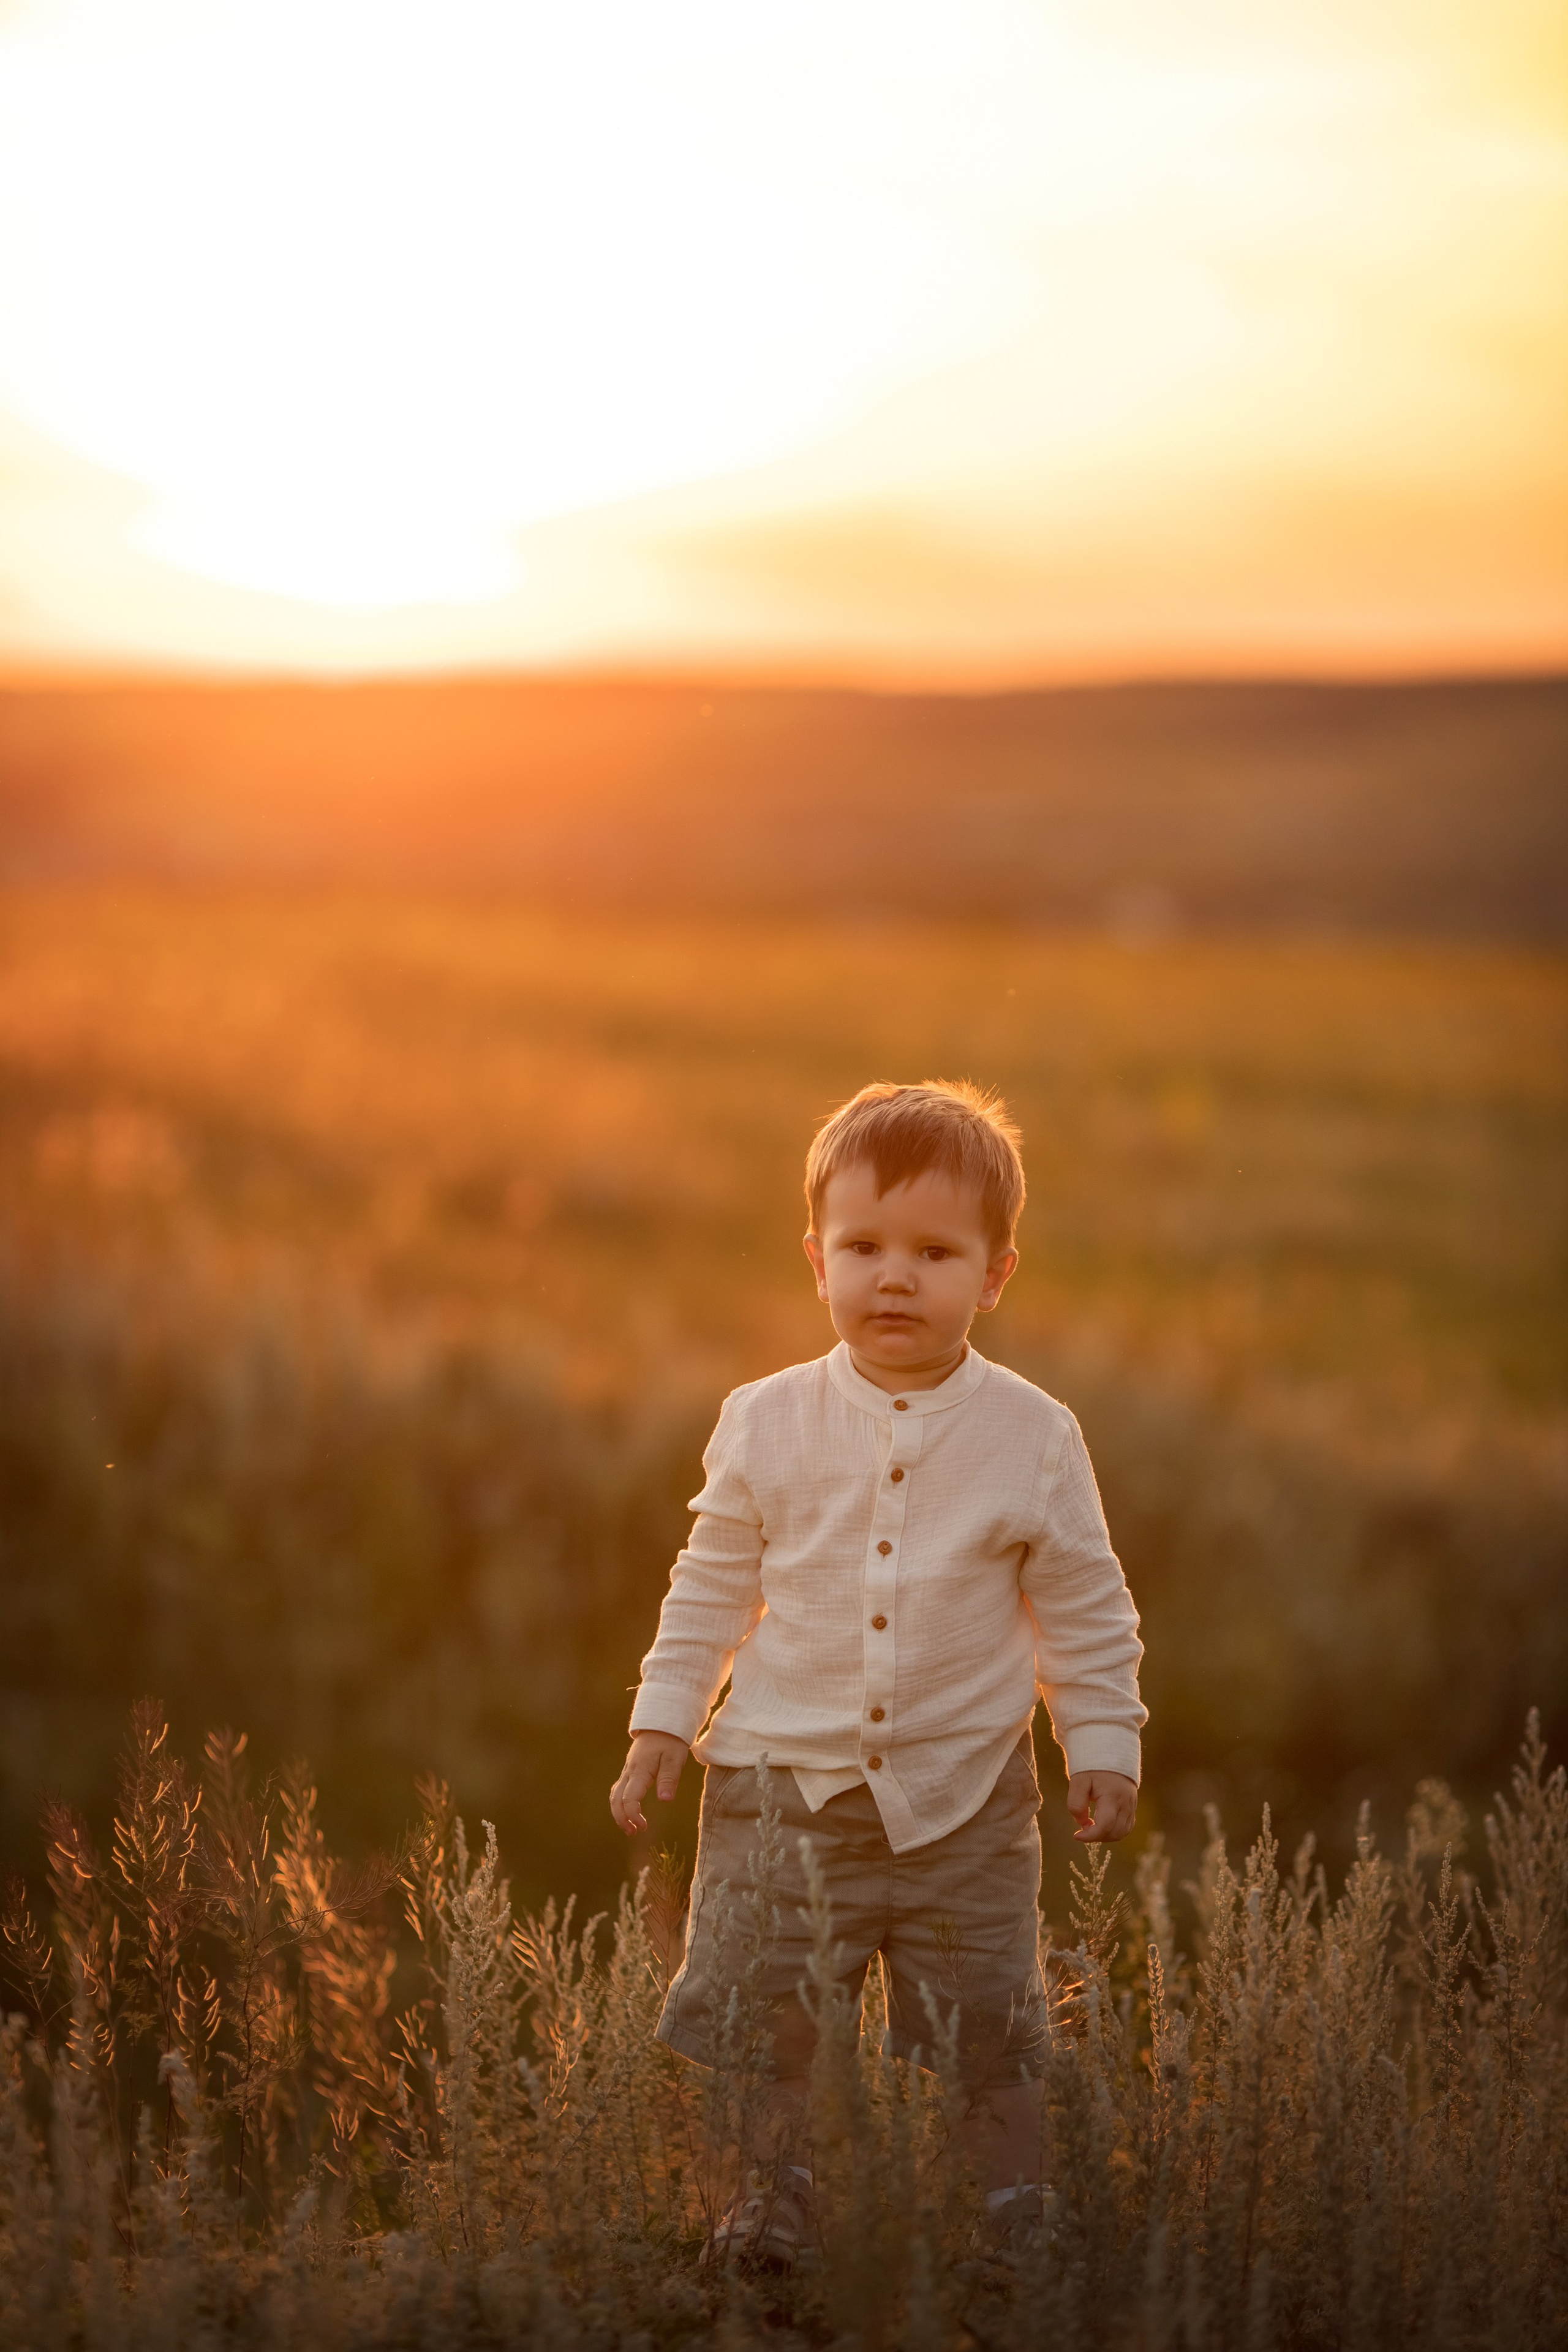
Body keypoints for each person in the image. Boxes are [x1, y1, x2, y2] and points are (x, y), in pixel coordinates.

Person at [609, 1079, 1145, 2264]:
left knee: (992, 2028)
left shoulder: (1034, 1436)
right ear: (816, 1260)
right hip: (776, 1790)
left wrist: (1100, 1740)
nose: (894, 1276)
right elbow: (710, 1586)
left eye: (935, 1252)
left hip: (964, 1797)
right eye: (863, 1247)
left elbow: (1085, 1604)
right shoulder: (764, 1420)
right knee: (770, 2023)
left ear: (996, 1274)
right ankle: (767, 2204)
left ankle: (1016, 2218)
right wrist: (663, 1720)